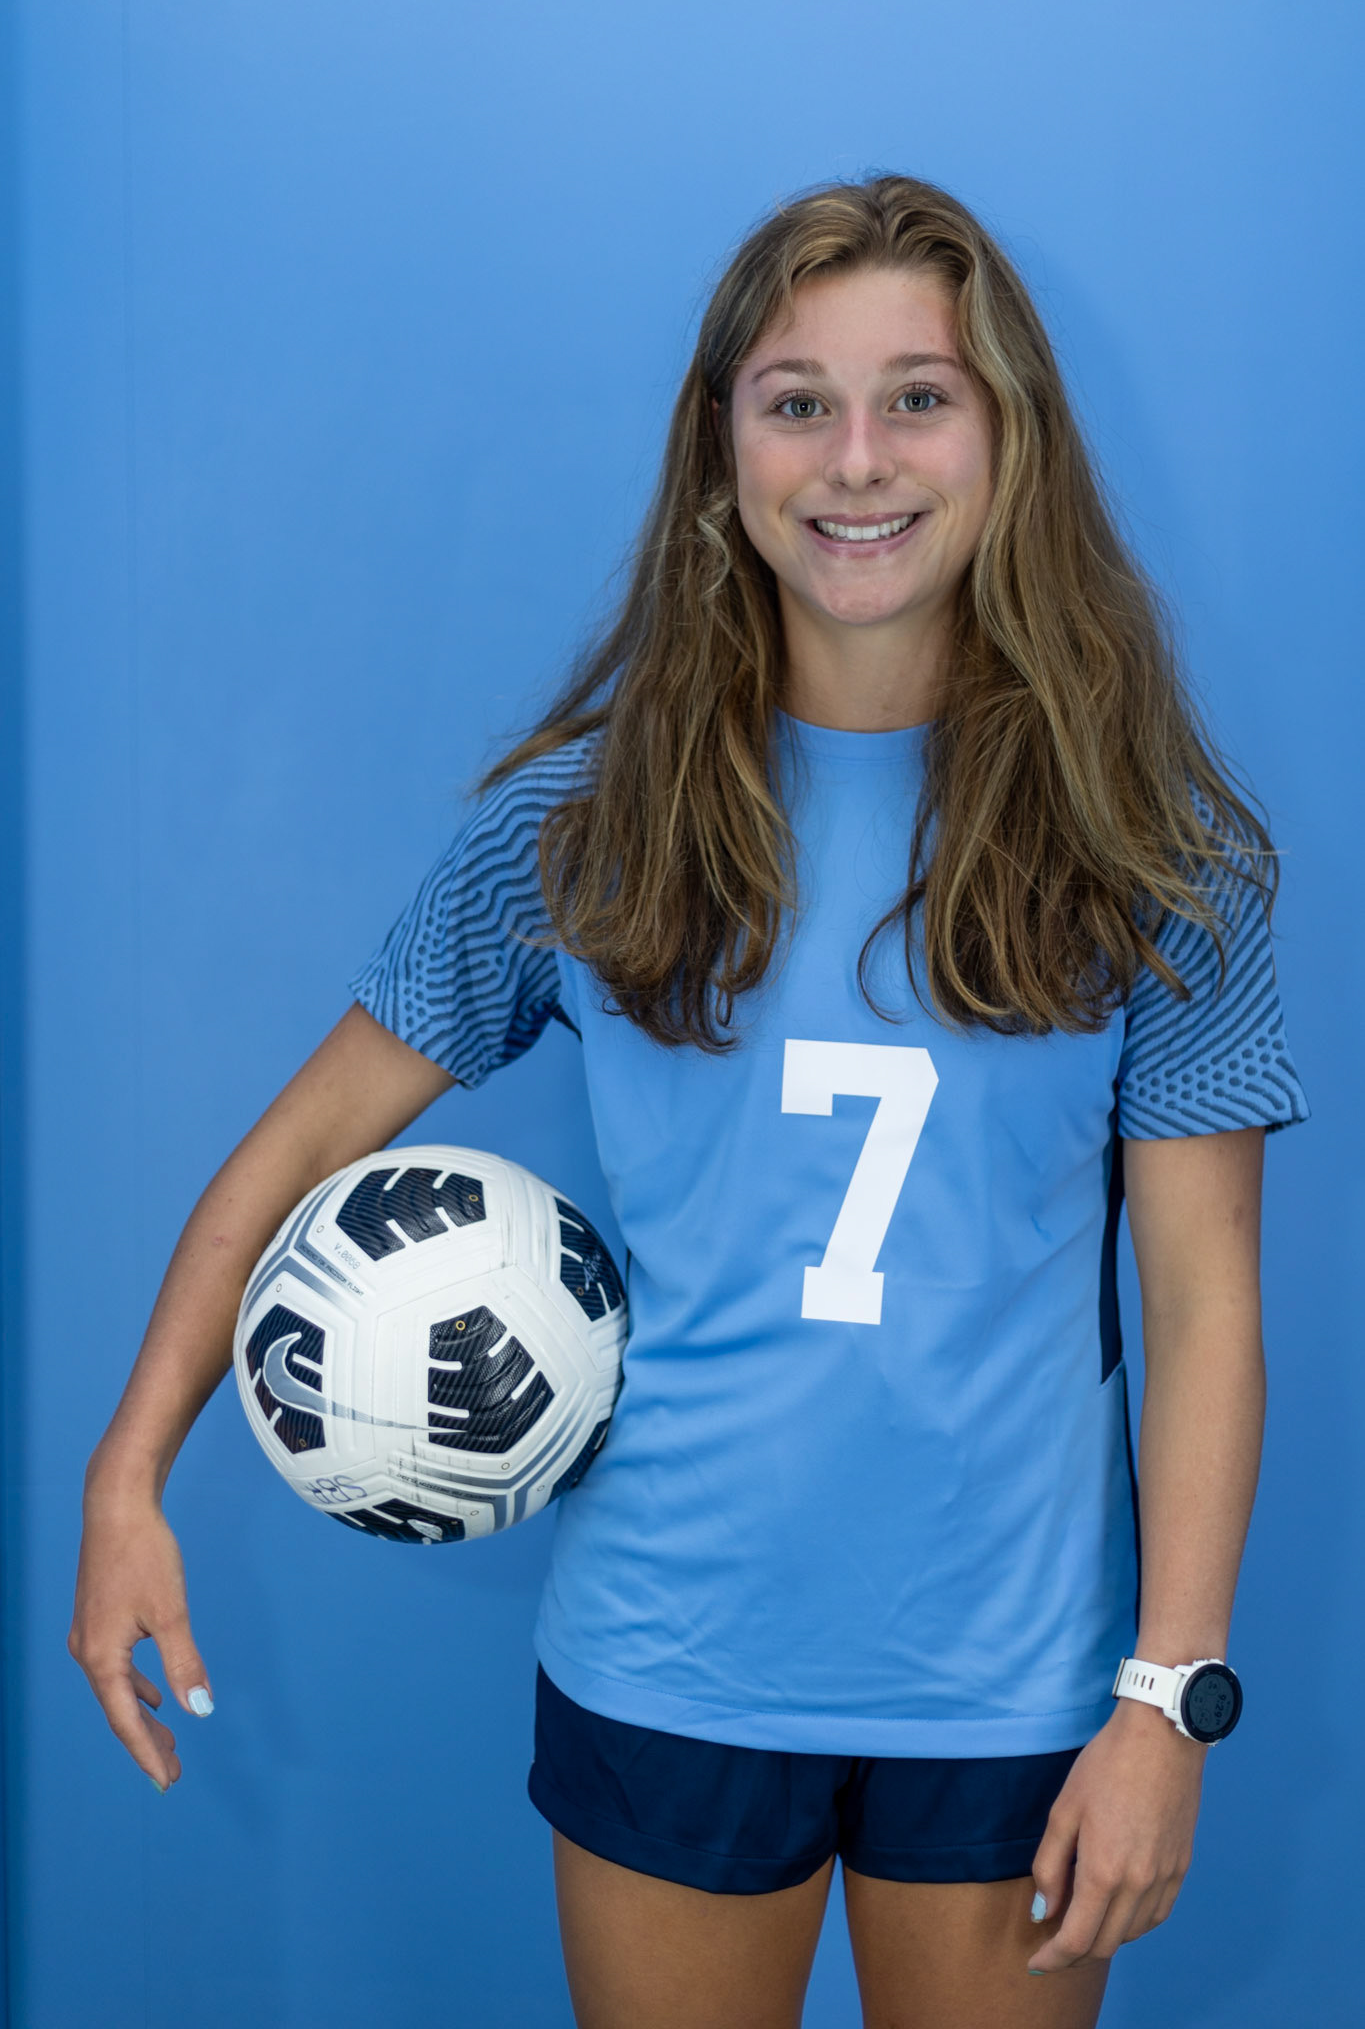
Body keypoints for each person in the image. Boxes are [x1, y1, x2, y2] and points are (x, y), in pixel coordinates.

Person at [70, 174, 1308, 2029]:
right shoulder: (587, 832)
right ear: (721, 448)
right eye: (794, 398)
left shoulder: (1153, 860)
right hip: (667, 1668)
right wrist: (126, 1472)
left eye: (920, 394)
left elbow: (1205, 1304)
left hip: (1016, 1700)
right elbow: (308, 1148)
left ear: (1008, 439)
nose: (856, 456)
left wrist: (1165, 1696)